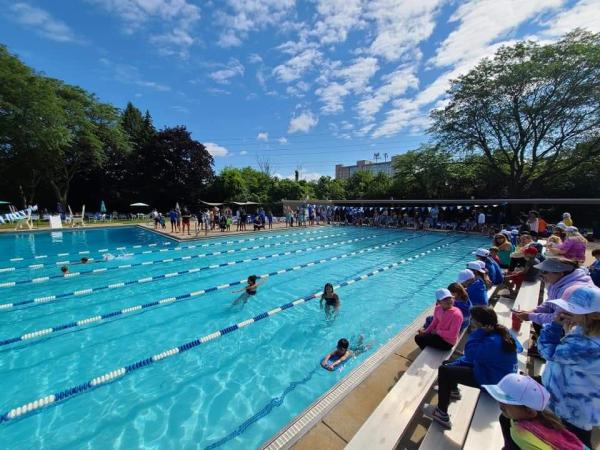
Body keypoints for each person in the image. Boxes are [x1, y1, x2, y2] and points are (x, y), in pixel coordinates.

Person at [422, 306, 518, 429]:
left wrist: (478, 332)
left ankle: (442, 413)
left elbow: (470, 353)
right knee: (448, 364)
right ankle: (453, 391)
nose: (471, 321)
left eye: (473, 319)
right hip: (494, 373)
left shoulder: (492, 340)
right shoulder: (500, 332)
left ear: (481, 324)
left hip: (493, 382)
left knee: (444, 371)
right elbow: (474, 358)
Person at [536, 287, 600, 447]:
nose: (565, 311)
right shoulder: (586, 331)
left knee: (573, 442)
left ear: (595, 315)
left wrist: (555, 326)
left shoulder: (587, 346)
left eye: (573, 310)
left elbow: (547, 351)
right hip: (571, 403)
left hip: (571, 411)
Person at [483, 373, 587, 450]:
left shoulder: (523, 435)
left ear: (529, 411)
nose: (500, 404)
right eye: (499, 398)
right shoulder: (544, 418)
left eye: (506, 402)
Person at [513, 258, 595, 329]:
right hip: (563, 324)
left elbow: (559, 318)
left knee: (537, 321)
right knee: (536, 320)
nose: (541, 274)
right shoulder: (557, 282)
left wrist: (530, 316)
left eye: (545, 271)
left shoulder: (574, 291)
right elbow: (550, 303)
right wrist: (533, 311)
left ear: (560, 273)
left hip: (582, 331)